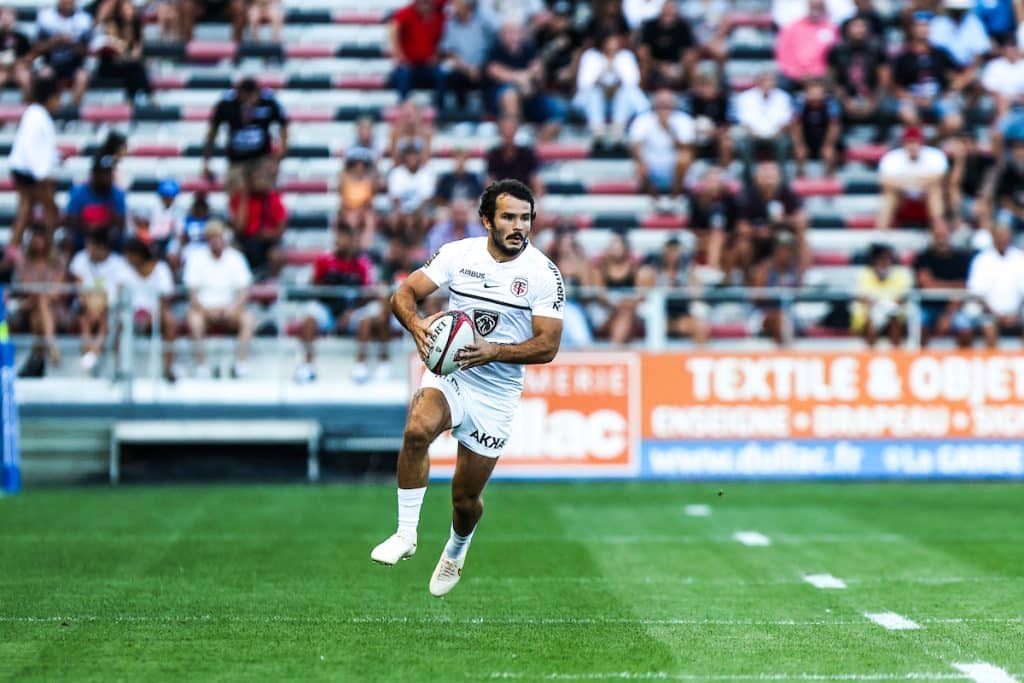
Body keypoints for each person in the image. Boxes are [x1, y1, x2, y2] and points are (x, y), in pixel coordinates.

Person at [370, 179, 564, 597]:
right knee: (417, 429)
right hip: (452, 372)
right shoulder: (459, 255)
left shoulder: (543, 274)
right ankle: (405, 534)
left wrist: (493, 350)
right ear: (487, 221)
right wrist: (418, 325)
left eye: (525, 218)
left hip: (496, 395)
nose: (519, 226)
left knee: (465, 499)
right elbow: (403, 294)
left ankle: (457, 550)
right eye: (509, 217)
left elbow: (548, 346)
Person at [295, 224, 388, 384]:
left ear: (353, 241)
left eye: (345, 238)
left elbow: (367, 293)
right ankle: (307, 364)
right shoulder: (324, 260)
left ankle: (361, 365)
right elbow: (315, 288)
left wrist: (350, 312)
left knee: (366, 319)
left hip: (352, 312)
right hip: (328, 311)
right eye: (339, 237)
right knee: (310, 317)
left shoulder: (362, 264)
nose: (341, 241)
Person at [202, 78, 289, 234]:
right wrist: (207, 161)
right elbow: (212, 132)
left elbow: (284, 127)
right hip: (237, 160)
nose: (249, 101)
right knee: (238, 192)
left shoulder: (268, 102)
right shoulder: (226, 104)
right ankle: (240, 230)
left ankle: (266, 229)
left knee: (264, 189)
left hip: (261, 158)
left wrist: (278, 159)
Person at [183, 219, 255, 379]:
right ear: (207, 240)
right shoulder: (196, 258)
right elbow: (192, 294)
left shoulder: (236, 258)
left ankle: (240, 364)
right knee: (194, 321)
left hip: (231, 310)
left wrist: (231, 309)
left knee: (248, 320)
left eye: (218, 236)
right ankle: (202, 366)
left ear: (224, 238)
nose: (215, 240)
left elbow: (243, 292)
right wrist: (206, 312)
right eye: (211, 237)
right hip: (203, 310)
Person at [7, 75, 61, 256]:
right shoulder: (37, 115)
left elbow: (41, 146)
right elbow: (30, 147)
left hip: (26, 170)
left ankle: (14, 251)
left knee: (25, 211)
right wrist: (42, 174)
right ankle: (48, 251)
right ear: (51, 97)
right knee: (51, 211)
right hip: (30, 172)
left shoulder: (35, 113)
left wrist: (56, 158)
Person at [485, 19, 565, 141]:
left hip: (531, 94)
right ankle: (517, 136)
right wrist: (521, 78)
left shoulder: (529, 49)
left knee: (558, 107)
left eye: (517, 32)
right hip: (501, 99)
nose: (514, 36)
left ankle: (541, 146)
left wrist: (528, 80)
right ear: (502, 35)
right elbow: (495, 71)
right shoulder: (495, 50)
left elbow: (538, 74)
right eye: (510, 32)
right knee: (510, 95)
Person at [891, 11, 965, 136]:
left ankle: (934, 141)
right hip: (912, 98)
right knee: (907, 113)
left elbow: (960, 72)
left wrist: (951, 89)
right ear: (912, 29)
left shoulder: (940, 53)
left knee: (955, 121)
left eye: (926, 26)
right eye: (919, 26)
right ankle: (919, 141)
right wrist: (912, 98)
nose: (923, 29)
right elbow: (894, 85)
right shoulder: (903, 56)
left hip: (938, 98)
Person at [68, 229, 130, 373]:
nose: (88, 250)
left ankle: (93, 351)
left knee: (107, 313)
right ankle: (89, 348)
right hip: (86, 304)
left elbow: (118, 291)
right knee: (85, 311)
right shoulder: (80, 259)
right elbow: (79, 289)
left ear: (102, 247)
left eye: (91, 246)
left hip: (109, 306)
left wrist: (102, 305)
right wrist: (91, 304)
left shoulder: (118, 263)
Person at [14, 226, 67, 377]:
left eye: (40, 237)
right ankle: (51, 347)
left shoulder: (58, 261)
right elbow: (25, 288)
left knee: (39, 314)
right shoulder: (24, 261)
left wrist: (41, 294)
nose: (37, 241)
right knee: (39, 306)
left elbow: (56, 292)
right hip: (28, 305)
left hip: (53, 308)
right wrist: (42, 293)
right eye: (34, 237)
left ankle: (36, 359)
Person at [572, 32, 648, 139]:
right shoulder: (591, 56)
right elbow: (584, 84)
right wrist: (603, 70)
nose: (612, 45)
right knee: (594, 92)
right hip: (594, 102)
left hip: (620, 102)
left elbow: (633, 82)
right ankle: (597, 131)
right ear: (602, 43)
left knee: (625, 92)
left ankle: (618, 130)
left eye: (615, 42)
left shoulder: (626, 56)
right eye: (609, 42)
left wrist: (615, 69)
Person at [961, 219, 1024, 347]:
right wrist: (997, 315)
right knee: (988, 327)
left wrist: (1015, 314)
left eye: (1005, 236)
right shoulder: (982, 260)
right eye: (999, 236)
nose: (1003, 240)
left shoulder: (1019, 258)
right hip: (988, 312)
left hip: (1017, 312)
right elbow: (977, 293)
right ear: (993, 237)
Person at [122, 238, 177, 381]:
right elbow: (121, 298)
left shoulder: (161, 269)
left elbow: (165, 299)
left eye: (130, 255)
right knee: (118, 321)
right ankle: (120, 368)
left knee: (170, 320)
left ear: (139, 254)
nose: (127, 259)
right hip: (131, 315)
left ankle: (168, 368)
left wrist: (152, 317)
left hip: (156, 314)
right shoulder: (125, 271)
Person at [628, 89, 695, 205]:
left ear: (673, 105)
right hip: (651, 166)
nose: (663, 109)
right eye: (661, 105)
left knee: (684, 158)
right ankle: (654, 199)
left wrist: (668, 129)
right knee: (640, 163)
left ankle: (675, 196)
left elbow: (687, 148)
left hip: (674, 167)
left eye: (667, 105)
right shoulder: (643, 120)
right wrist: (641, 161)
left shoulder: (683, 120)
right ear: (654, 105)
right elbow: (635, 146)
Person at [637, 236, 709, 343]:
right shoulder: (653, 270)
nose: (673, 255)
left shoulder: (688, 271)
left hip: (681, 312)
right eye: (670, 251)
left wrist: (684, 291)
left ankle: (699, 356)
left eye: (676, 251)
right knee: (656, 325)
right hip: (659, 314)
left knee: (701, 328)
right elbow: (644, 296)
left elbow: (697, 295)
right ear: (664, 252)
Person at [877, 127, 949, 231]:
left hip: (926, 195)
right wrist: (918, 182)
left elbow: (939, 179)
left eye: (915, 142)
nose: (913, 146)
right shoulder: (892, 157)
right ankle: (881, 233)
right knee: (889, 195)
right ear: (904, 143)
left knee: (935, 190)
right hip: (902, 197)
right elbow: (885, 181)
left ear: (921, 143)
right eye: (909, 142)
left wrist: (906, 182)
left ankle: (939, 231)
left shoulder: (934, 155)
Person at [827, 15, 892, 129]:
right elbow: (831, 80)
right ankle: (838, 144)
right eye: (855, 26)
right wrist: (845, 101)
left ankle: (880, 141)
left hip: (872, 96)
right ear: (847, 29)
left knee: (888, 109)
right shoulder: (837, 51)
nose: (859, 29)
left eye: (862, 26)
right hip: (846, 97)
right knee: (830, 110)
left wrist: (873, 102)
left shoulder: (877, 49)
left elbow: (884, 81)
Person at [913, 222, 972, 345]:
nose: (941, 237)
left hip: (953, 307)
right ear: (932, 235)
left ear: (950, 234)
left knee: (966, 328)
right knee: (918, 327)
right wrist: (953, 286)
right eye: (937, 233)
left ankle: (963, 359)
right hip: (928, 307)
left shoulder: (961, 258)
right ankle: (921, 358)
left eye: (943, 233)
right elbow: (926, 285)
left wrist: (948, 314)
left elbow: (964, 288)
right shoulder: (923, 257)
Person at [733, 72, 793, 182]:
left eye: (770, 80)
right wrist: (753, 133)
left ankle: (781, 176)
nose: (767, 84)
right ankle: (749, 176)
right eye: (764, 80)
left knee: (784, 142)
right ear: (757, 82)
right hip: (752, 135)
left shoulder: (783, 97)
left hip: (776, 135)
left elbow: (786, 122)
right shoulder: (745, 97)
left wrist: (778, 133)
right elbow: (743, 122)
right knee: (743, 143)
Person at [851, 243, 913, 347]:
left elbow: (903, 298)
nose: (885, 263)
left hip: (894, 316)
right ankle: (870, 356)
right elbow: (860, 298)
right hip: (869, 316)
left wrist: (885, 306)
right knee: (872, 321)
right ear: (874, 261)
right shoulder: (864, 274)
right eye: (881, 259)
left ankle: (897, 356)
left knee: (894, 320)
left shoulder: (901, 274)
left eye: (888, 259)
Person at [34, 0, 92, 109]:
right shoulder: (46, 17)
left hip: (74, 64)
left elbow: (87, 50)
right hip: (51, 62)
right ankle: (46, 110)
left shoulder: (84, 20)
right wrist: (55, 41)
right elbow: (37, 48)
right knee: (43, 74)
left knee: (82, 76)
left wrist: (72, 43)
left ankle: (71, 114)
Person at [64, 154, 127, 251]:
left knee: (122, 239)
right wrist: (92, 235)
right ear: (94, 174)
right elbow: (72, 221)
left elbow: (120, 225)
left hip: (108, 240)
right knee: (70, 238)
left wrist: (102, 237)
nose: (107, 177)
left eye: (109, 173)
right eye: (103, 173)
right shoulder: (78, 192)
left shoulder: (118, 193)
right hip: (83, 238)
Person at [751, 231, 804, 345]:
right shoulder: (765, 269)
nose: (786, 252)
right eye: (783, 248)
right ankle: (785, 353)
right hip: (764, 313)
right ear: (776, 250)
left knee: (786, 318)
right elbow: (755, 298)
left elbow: (799, 294)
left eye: (789, 249)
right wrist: (774, 294)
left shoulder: (794, 270)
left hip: (788, 312)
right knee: (779, 317)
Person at [94, 0, 151, 105]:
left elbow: (136, 53)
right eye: (125, 9)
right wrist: (127, 54)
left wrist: (128, 55)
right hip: (109, 66)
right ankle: (149, 95)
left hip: (127, 65)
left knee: (134, 69)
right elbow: (116, 53)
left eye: (129, 8)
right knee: (136, 68)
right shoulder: (112, 25)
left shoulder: (137, 27)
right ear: (119, 11)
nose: (127, 12)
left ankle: (131, 101)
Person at [591, 230, 643, 344]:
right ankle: (616, 350)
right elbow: (600, 296)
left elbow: (641, 295)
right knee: (625, 314)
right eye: (614, 244)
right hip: (605, 312)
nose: (616, 247)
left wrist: (625, 304)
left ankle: (615, 349)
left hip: (628, 311)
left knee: (626, 315)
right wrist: (617, 304)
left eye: (619, 244)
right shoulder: (600, 268)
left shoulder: (634, 268)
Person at [388, 0, 445, 103]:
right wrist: (400, 56)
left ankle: (440, 110)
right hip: (409, 65)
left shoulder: (439, 13)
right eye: (422, 3)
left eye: (427, 3)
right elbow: (393, 30)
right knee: (404, 75)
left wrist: (437, 55)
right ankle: (403, 107)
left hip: (427, 65)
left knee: (442, 75)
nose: (425, 5)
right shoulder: (407, 12)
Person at [437, 0, 490, 110]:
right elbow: (450, 51)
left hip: (481, 67)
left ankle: (487, 113)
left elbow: (489, 48)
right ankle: (460, 112)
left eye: (457, 4)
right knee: (454, 78)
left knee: (490, 76)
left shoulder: (482, 23)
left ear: (467, 7)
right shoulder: (450, 24)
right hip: (461, 68)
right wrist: (467, 69)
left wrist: (478, 68)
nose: (453, 7)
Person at [774, 0, 840, 86]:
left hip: (821, 76)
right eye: (813, 6)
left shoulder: (831, 29)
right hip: (794, 76)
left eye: (819, 6)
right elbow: (783, 54)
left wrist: (817, 73)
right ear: (807, 7)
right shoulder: (792, 28)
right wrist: (798, 74)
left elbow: (835, 56)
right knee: (781, 83)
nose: (816, 9)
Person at [635, 0, 698, 90]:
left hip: (677, 67)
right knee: (643, 62)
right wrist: (660, 67)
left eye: (671, 11)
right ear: (661, 11)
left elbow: (690, 51)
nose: (668, 14)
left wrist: (676, 68)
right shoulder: (650, 26)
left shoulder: (683, 26)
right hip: (654, 65)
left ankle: (692, 95)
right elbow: (642, 51)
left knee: (692, 61)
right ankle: (641, 93)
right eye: (666, 11)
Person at [687, 166, 738, 270]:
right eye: (710, 180)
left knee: (725, 246)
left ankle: (716, 273)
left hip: (727, 240)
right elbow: (693, 228)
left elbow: (735, 226)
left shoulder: (730, 200)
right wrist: (711, 235)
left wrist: (723, 236)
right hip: (702, 239)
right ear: (704, 182)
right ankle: (713, 270)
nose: (713, 184)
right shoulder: (696, 201)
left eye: (716, 180)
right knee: (716, 238)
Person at [791, 79, 843, 176]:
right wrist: (799, 144)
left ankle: (830, 177)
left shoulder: (830, 103)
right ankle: (800, 175)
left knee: (829, 153)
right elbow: (795, 126)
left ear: (823, 93)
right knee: (799, 152)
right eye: (812, 92)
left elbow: (834, 126)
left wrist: (828, 144)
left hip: (824, 137)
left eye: (818, 92)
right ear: (807, 93)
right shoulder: (800, 103)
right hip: (807, 137)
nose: (815, 95)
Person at [387, 142, 437, 241]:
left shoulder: (426, 172)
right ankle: (398, 244)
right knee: (394, 219)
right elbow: (395, 198)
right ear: (404, 157)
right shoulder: (397, 173)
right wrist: (403, 212)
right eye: (409, 155)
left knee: (424, 220)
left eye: (414, 155)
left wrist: (416, 213)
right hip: (401, 209)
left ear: (419, 157)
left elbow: (426, 199)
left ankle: (419, 245)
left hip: (421, 209)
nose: (412, 158)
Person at [485, 116, 544, 198]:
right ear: (500, 132)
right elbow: (490, 181)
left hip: (524, 199)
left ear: (516, 131)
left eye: (510, 129)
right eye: (505, 130)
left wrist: (538, 201)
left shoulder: (527, 153)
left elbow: (535, 179)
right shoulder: (493, 154)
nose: (508, 133)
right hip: (501, 200)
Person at [337, 147, 379, 251]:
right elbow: (343, 199)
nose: (359, 168)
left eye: (362, 165)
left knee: (369, 220)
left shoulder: (369, 180)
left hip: (365, 210)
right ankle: (352, 246)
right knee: (352, 219)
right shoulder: (345, 179)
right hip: (349, 210)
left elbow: (372, 195)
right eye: (355, 164)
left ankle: (365, 248)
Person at [0, 6, 32, 101]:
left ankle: (27, 106)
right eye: (3, 16)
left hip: (18, 68)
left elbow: (29, 56)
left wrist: (20, 62)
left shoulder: (22, 37)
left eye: (9, 16)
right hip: (2, 69)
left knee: (25, 77)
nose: (6, 19)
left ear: (15, 18)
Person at [180, 0, 245, 43]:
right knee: (186, 6)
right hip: (201, 5)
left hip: (225, 6)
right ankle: (188, 49)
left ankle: (235, 50)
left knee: (240, 7)